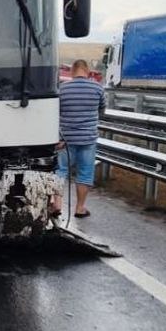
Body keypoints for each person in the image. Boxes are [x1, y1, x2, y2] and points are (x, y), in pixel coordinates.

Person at [52, 59, 105, 218]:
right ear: (87, 70)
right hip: (88, 139)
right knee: (85, 173)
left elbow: (54, 114)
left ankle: (57, 204)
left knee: (60, 171)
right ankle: (80, 208)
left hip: (65, 139)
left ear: (73, 71)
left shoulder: (62, 89)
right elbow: (102, 111)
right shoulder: (97, 88)